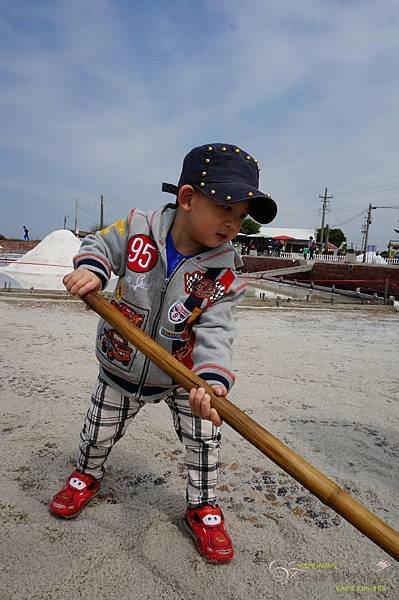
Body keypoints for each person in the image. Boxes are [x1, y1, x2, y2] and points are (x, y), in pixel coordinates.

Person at [49, 143, 277, 563]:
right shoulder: (138, 227)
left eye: (241, 216)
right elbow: (101, 245)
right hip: (122, 363)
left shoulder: (224, 272)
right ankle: (87, 474)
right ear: (187, 198)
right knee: (98, 431)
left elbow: (217, 329)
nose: (233, 223)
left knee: (205, 438)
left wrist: (210, 378)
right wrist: (92, 269)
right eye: (225, 208)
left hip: (183, 373)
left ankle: (203, 507)